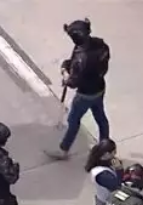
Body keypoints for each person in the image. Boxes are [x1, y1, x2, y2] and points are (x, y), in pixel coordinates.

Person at [57, 18, 111, 158]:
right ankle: (105, 148)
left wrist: (65, 73)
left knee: (73, 120)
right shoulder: (101, 45)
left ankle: (64, 149)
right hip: (99, 88)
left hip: (85, 94)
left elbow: (73, 82)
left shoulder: (82, 59)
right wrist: (69, 64)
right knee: (101, 118)